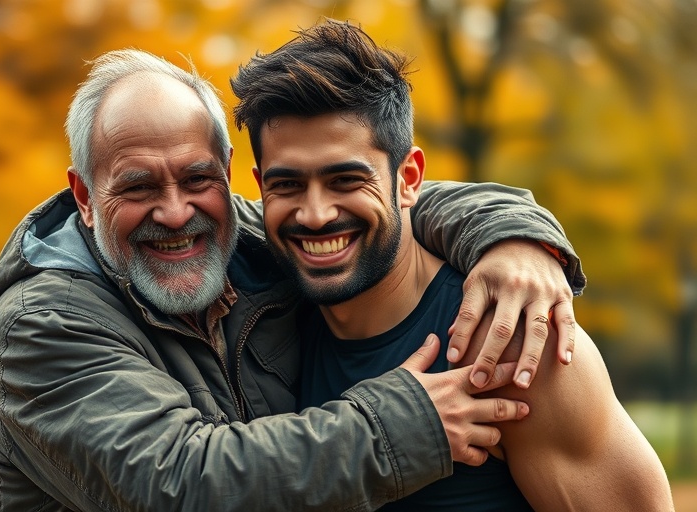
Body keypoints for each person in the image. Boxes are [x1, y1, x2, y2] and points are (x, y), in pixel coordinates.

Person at [0, 48, 586, 511]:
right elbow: (179, 484)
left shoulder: (246, 241)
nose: (173, 212)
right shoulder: (42, 325)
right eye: (138, 187)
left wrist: (513, 239)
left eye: (196, 180)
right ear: (84, 195)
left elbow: (374, 207)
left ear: (227, 178)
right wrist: (404, 425)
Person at [232, 20, 673, 510]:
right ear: (260, 185)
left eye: (345, 180)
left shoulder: (510, 339)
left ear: (408, 179)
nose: (314, 215)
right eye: (287, 185)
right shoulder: (261, 325)